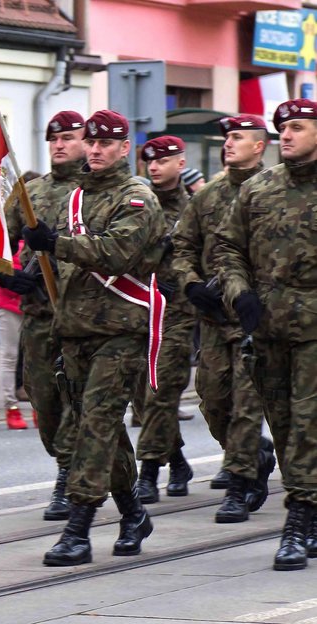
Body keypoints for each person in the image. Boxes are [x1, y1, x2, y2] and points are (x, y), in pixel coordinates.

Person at [22, 109, 167, 566]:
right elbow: (49, 259)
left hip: (120, 331)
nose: (98, 149)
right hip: (74, 331)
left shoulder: (138, 198)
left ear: (125, 148)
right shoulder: (73, 198)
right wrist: (25, 270)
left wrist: (56, 244)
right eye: (93, 142)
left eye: (109, 143)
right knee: (105, 433)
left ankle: (78, 529)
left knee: (95, 428)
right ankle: (132, 512)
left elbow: (116, 253)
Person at [214, 99, 317, 570]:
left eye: (298, 126)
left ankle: (297, 520)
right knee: (282, 424)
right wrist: (239, 294)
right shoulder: (259, 188)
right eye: (283, 128)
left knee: (307, 425)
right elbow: (228, 247)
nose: (288, 135)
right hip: (268, 328)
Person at [172, 114, 275, 524]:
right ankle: (255, 454)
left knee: (248, 405)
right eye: (226, 138)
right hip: (214, 320)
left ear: (258, 146)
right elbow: (182, 247)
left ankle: (238, 484)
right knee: (214, 402)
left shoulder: (273, 191)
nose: (228, 144)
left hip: (256, 320)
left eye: (237, 137)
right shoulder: (207, 196)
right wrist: (191, 285)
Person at [3, 110, 85, 521]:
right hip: (39, 315)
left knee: (80, 399)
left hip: (88, 318)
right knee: (44, 400)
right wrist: (10, 276)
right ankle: (66, 461)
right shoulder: (29, 192)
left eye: (69, 137)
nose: (60, 145)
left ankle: (70, 476)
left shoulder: (97, 191)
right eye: (55, 138)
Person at [130, 136, 194, 504]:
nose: (154, 167)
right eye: (149, 161)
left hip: (178, 312)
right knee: (144, 397)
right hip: (139, 308)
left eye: (163, 161)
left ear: (180, 164)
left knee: (161, 390)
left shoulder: (195, 207)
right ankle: (179, 461)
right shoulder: (138, 204)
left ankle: (149, 471)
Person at [0, 243, 29, 429]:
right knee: (10, 356)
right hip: (8, 303)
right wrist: (6, 277)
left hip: (36, 304)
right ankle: (11, 406)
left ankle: (41, 406)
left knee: (37, 357)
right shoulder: (6, 237)